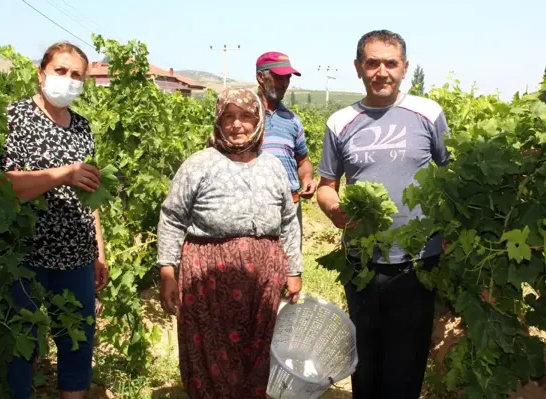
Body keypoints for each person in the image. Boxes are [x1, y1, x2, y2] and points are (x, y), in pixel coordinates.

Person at [316, 30, 450, 398]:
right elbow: (327, 184)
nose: (381, 71)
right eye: (372, 62)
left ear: (405, 68)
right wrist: (333, 209)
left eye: (390, 63)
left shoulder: (428, 113)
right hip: (362, 264)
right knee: (365, 363)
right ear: (358, 68)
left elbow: (452, 176)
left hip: (419, 262)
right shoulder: (340, 121)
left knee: (406, 365)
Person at [157, 87, 303, 398]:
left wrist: (294, 270)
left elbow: (289, 221)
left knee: (259, 345)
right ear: (218, 122)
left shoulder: (273, 166)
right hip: (208, 272)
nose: (238, 125)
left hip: (265, 273)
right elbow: (171, 218)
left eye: (246, 117)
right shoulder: (199, 164)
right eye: (229, 117)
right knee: (212, 347)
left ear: (258, 121)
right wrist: (167, 272)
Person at [0, 42, 109, 399]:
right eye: (61, 71)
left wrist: (99, 251)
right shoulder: (13, 117)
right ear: (41, 72)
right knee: (21, 344)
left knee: (77, 341)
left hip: (75, 253)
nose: (68, 80)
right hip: (25, 256)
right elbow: (4, 187)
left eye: (77, 75)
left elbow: (90, 194)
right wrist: (62, 174)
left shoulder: (82, 128)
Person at [256, 51, 316, 243]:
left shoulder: (292, 120)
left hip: (290, 204)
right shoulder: (244, 116)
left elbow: (303, 160)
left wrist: (307, 178)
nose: (284, 83)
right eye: (278, 77)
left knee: (290, 265)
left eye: (287, 77)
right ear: (260, 77)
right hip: (253, 204)